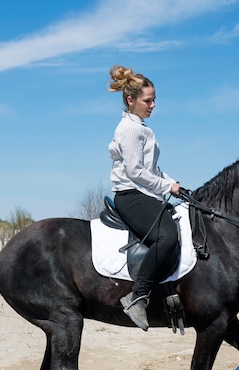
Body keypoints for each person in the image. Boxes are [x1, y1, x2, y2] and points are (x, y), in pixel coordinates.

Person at [107, 65, 181, 331]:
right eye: (147, 100)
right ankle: (137, 296)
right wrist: (165, 186)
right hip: (130, 194)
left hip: (144, 191)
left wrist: (173, 185)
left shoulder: (141, 127)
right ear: (131, 100)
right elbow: (135, 172)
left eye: (154, 99)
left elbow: (152, 170)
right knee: (168, 236)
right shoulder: (130, 129)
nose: (153, 105)